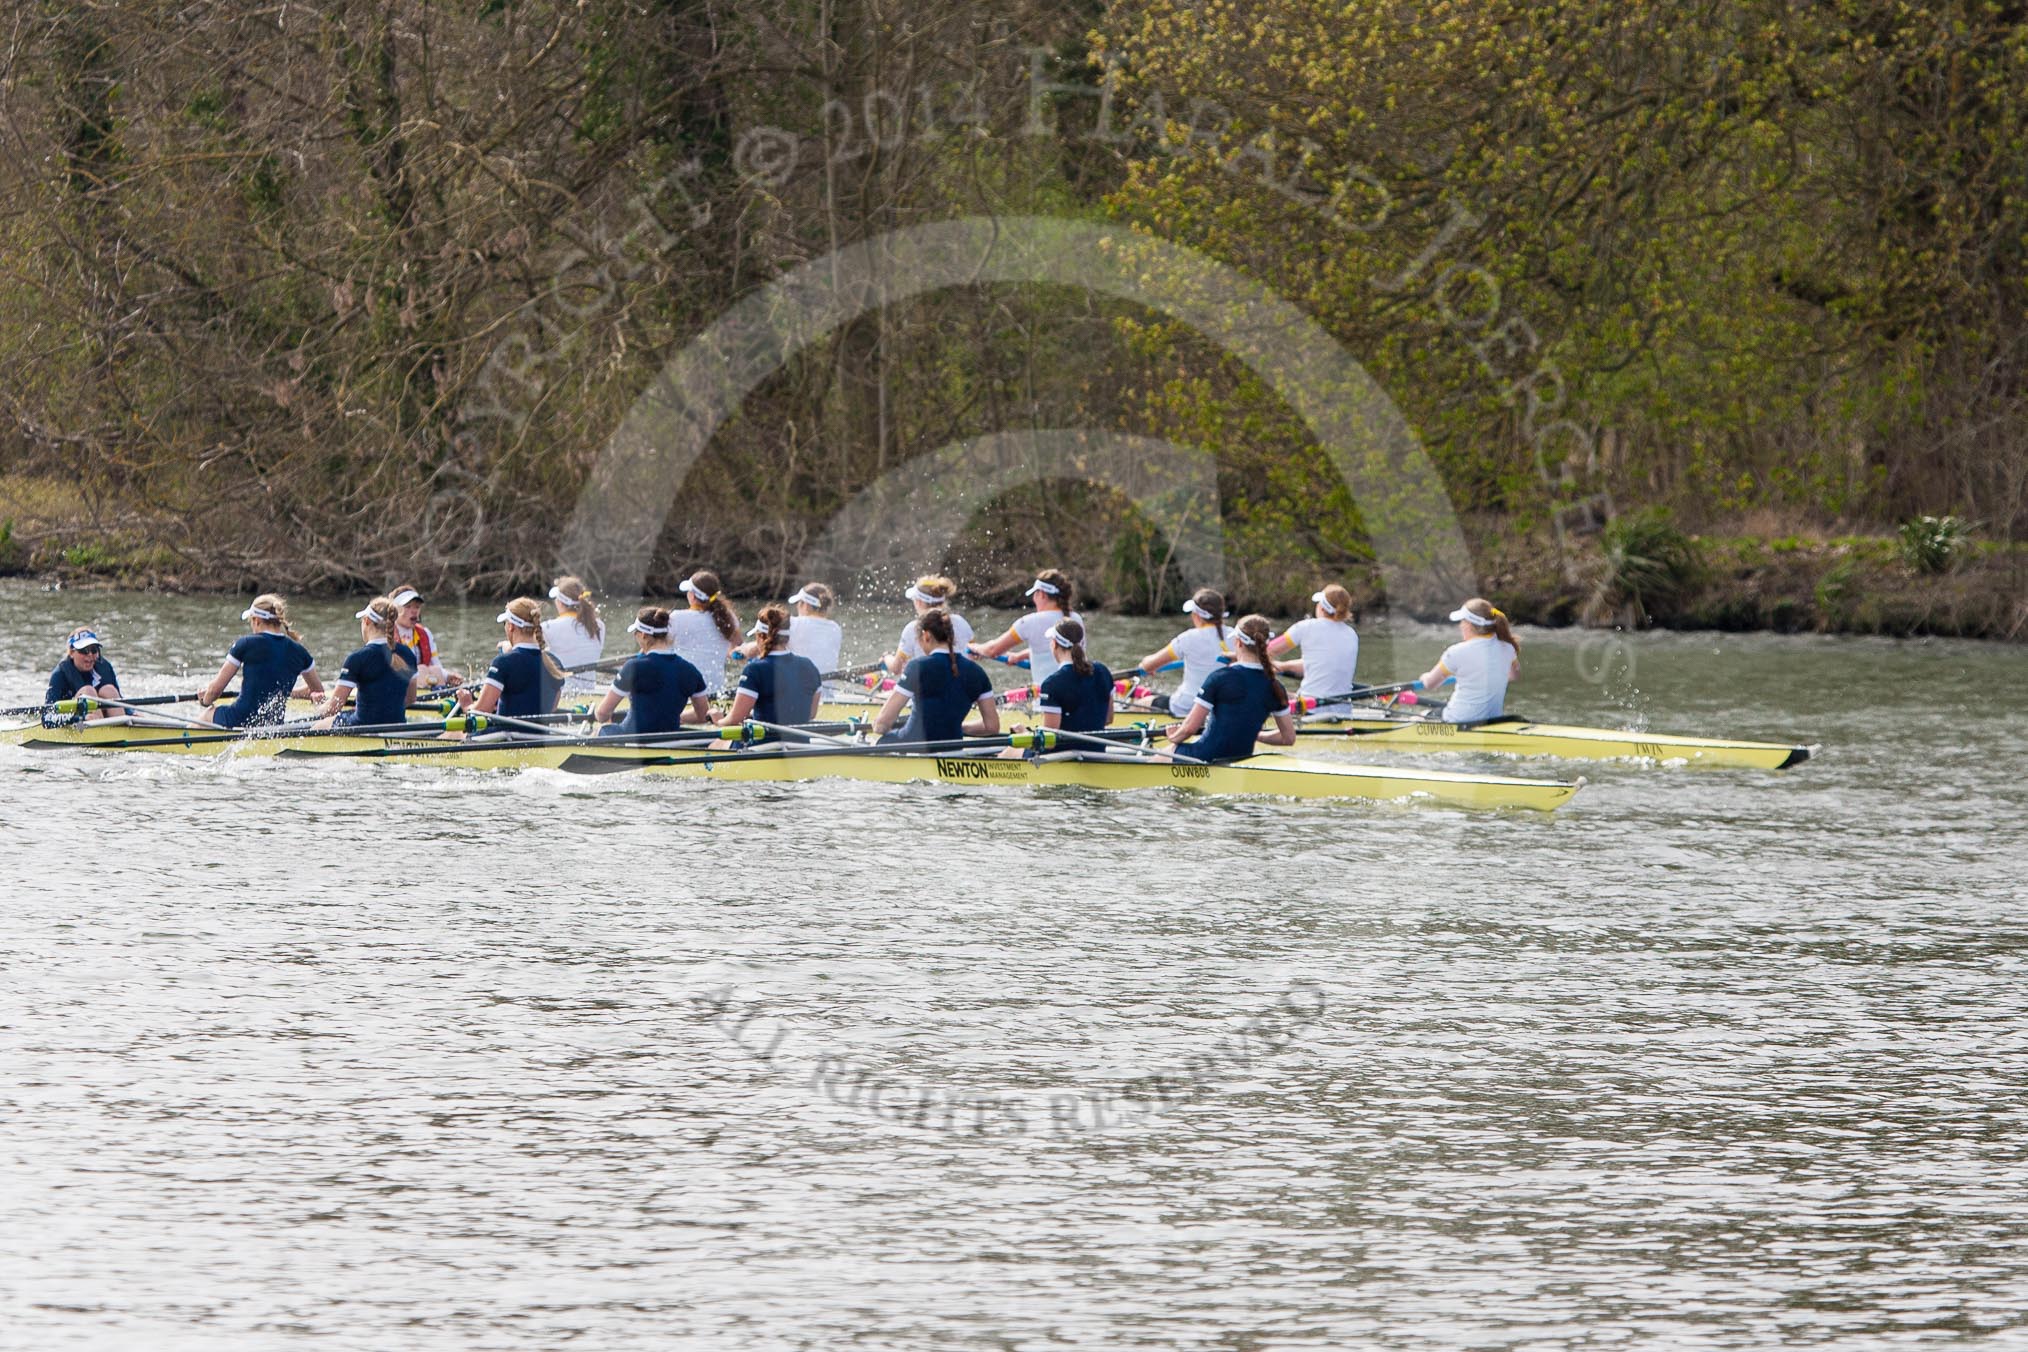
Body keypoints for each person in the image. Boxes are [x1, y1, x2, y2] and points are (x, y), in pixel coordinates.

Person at [1164, 614, 1297, 762]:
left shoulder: (1220, 677)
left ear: (1238, 642)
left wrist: (1173, 737)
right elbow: (1288, 738)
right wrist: (1254, 734)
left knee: (1164, 753)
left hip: (1206, 757)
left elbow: (1190, 728)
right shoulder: (1275, 686)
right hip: (1241, 760)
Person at [872, 608, 998, 743]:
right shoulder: (977, 672)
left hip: (912, 746)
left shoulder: (917, 667)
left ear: (926, 636)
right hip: (953, 749)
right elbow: (992, 727)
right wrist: (957, 727)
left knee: (879, 740)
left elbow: (882, 723)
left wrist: (880, 727)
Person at [197, 594, 323, 728]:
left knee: (207, 714)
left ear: (256, 620)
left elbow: (215, 691)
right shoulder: (299, 651)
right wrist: (284, 692)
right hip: (272, 726)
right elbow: (318, 693)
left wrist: (204, 700)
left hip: (239, 719)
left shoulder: (245, 644)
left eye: (251, 622)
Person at [594, 608, 711, 736]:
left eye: (635, 633)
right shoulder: (690, 670)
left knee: (600, 729)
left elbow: (602, 713)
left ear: (643, 635)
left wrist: (603, 719)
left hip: (632, 738)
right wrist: (673, 717)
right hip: (669, 739)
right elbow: (702, 716)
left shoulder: (634, 667)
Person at [312, 597, 419, 729]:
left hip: (362, 727)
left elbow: (332, 708)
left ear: (367, 621)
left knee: (317, 727)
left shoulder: (357, 658)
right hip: (397, 726)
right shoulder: (408, 654)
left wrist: (318, 704)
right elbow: (411, 699)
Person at [1413, 598, 1520, 724]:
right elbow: (1513, 676)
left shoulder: (1456, 652)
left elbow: (1430, 684)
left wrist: (1424, 677)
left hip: (1458, 720)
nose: (1460, 625)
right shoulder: (1507, 648)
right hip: (1493, 720)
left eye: (1462, 621)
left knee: (1417, 717)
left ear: (1468, 624)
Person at [454, 598, 565, 719]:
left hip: (506, 734)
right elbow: (552, 708)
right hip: (541, 736)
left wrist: (466, 704)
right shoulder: (555, 663)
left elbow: (481, 711)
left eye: (505, 623)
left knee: (449, 734)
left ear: (511, 626)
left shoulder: (503, 662)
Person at [971, 569, 1084, 687]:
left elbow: (993, 650)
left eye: (1034, 594)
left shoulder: (1030, 622)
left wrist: (974, 647)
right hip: (1077, 695)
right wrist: (1020, 656)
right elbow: (1054, 649)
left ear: (1041, 594)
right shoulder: (1076, 619)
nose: (1034, 599)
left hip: (1047, 699)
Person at [722, 604, 823, 726]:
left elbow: (735, 719)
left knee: (717, 743)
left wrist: (717, 719)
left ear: (760, 637)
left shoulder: (754, 669)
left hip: (762, 743)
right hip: (799, 743)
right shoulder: (809, 666)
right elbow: (810, 714)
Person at [1140, 588, 1231, 716]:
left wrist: (1145, 665)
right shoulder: (1235, 637)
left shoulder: (1188, 638)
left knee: (1142, 703)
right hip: (1223, 708)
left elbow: (1149, 665)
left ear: (1196, 615)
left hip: (1186, 707)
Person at [1268, 584, 1361, 700]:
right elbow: (1320, 663)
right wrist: (1284, 666)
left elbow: (1266, 650)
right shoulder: (1351, 634)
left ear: (1321, 607)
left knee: (1268, 693)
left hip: (1310, 707)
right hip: (1343, 707)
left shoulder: (1306, 627)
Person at [1033, 619, 1114, 734]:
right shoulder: (1103, 671)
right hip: (1097, 749)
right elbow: (1108, 719)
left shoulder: (1051, 684)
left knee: (1010, 750)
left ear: (1054, 644)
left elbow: (1049, 740)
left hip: (1062, 751)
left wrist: (1022, 732)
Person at [670, 569, 741, 692]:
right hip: (715, 691)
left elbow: (656, 648)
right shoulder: (729, 618)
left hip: (684, 692)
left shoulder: (677, 618)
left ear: (692, 596)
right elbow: (737, 648)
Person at [886, 576, 974, 674]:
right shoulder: (961, 622)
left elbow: (896, 669)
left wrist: (886, 658)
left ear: (919, 602)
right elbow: (973, 655)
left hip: (927, 685)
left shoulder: (913, 628)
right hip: (962, 684)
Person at [542, 576, 605, 695]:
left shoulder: (547, 628)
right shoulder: (599, 626)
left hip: (562, 694)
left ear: (559, 602)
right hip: (589, 693)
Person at [390, 584, 461, 688]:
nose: (414, 611)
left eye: (417, 607)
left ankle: (440, 695)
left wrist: (448, 676)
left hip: (421, 683)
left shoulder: (425, 633)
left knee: (435, 670)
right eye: (408, 607)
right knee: (422, 670)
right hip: (397, 684)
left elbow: (436, 665)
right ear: (395, 609)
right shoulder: (386, 634)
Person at [45, 627, 122, 721]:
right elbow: (47, 719)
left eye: (94, 650)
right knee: (88, 691)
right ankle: (101, 730)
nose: (90, 655)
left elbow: (121, 701)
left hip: (98, 717)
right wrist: (79, 718)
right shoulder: (59, 675)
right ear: (72, 653)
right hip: (75, 720)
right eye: (84, 651)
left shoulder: (105, 667)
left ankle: (123, 727)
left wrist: (133, 713)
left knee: (109, 690)